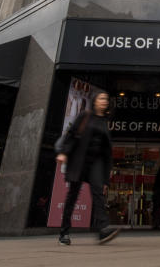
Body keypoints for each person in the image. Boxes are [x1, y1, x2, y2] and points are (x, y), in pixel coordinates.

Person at [55, 91, 118, 246]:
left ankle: (102, 230)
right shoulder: (85, 116)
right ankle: (64, 232)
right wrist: (63, 152)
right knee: (72, 196)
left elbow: (106, 149)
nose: (104, 101)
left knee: (98, 193)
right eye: (101, 98)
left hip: (95, 162)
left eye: (106, 99)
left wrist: (107, 171)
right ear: (95, 100)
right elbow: (71, 134)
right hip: (79, 160)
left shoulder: (104, 120)